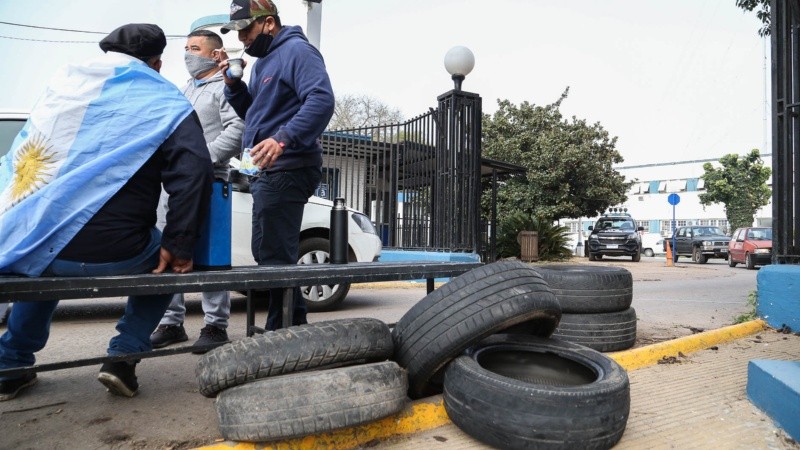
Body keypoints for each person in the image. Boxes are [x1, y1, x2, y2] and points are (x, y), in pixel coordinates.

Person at [0, 23, 213, 401]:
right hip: (122, 251)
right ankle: (123, 357)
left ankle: (11, 364)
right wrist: (180, 245)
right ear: (158, 63)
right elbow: (194, 171)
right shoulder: (167, 100)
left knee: (40, 253)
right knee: (166, 267)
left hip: (50, 249)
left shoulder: (65, 90)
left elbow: (20, 160)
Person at [219, 0, 335, 330]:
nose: (242, 39)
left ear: (269, 23)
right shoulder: (264, 62)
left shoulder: (297, 51)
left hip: (289, 166)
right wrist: (233, 87)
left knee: (273, 254)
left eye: (246, 29)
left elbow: (322, 99)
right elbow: (258, 114)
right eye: (237, 32)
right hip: (268, 169)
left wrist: (283, 139)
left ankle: (281, 331)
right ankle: (293, 325)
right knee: (269, 252)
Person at [150, 29, 245, 352]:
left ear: (213, 54)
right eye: (186, 48)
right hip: (174, 181)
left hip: (211, 179)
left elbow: (239, 130)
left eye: (195, 48)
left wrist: (202, 159)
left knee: (211, 253)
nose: (189, 54)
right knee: (170, 244)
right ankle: (171, 321)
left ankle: (215, 326)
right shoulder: (186, 89)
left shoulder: (224, 89)